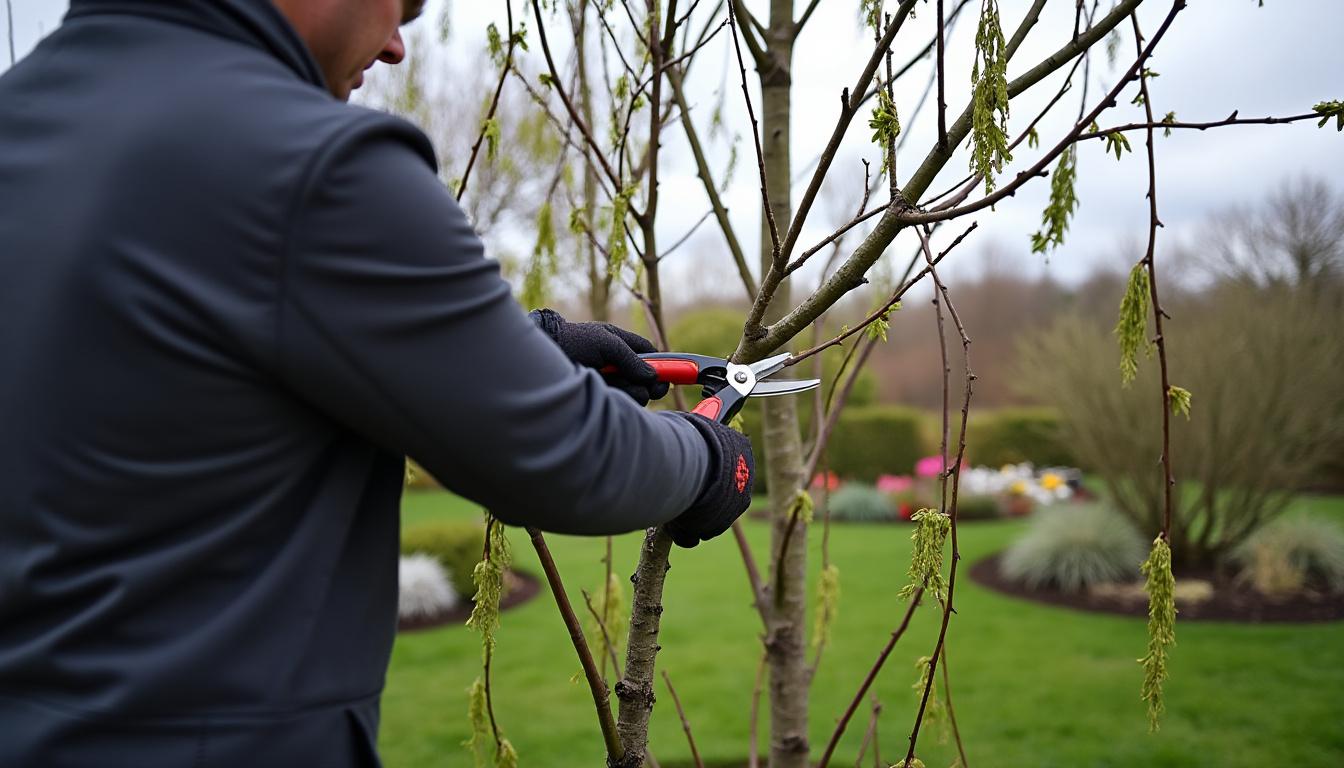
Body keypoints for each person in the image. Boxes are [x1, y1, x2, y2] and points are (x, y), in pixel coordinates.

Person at [0, 0, 754, 765]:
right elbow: (567, 459)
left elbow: (176, 374)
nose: (397, 46)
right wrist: (706, 459)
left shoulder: (26, 118)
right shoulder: (303, 161)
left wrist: (509, 352)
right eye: (403, 4)